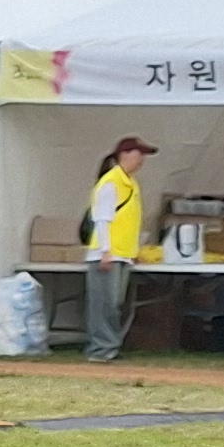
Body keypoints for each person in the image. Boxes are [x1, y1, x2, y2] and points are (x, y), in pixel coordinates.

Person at [80, 136, 154, 362]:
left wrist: (133, 251)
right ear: (125, 155)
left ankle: (108, 346)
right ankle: (101, 348)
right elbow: (102, 219)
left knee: (114, 303)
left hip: (122, 253)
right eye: (138, 154)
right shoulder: (111, 182)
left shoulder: (130, 183)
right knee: (105, 303)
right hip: (108, 253)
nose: (141, 160)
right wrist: (105, 251)